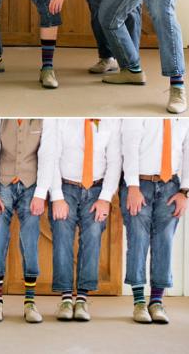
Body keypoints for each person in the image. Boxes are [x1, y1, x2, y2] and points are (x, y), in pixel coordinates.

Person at [36, 118, 121, 321]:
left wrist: (105, 198)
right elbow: (51, 158)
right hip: (66, 187)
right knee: (62, 237)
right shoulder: (63, 120)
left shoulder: (110, 121)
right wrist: (56, 196)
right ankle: (66, 298)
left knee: (92, 237)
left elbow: (115, 161)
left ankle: (82, 298)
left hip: (97, 190)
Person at [120, 118, 189, 324]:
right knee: (137, 239)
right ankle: (139, 303)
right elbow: (130, 145)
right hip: (139, 182)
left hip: (171, 186)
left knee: (164, 241)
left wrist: (185, 190)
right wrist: (133, 187)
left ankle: (156, 301)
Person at [0, 118, 45, 323]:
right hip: (3, 183)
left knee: (30, 239)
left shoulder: (42, 118)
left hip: (31, 185)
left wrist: (41, 194)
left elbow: (47, 156)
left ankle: (30, 302)